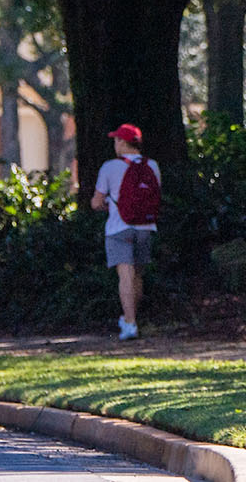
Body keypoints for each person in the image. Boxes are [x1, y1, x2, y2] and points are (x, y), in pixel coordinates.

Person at [90, 124, 162, 341]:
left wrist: (104, 206)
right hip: (146, 226)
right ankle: (132, 317)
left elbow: (96, 202)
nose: (115, 144)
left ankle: (130, 323)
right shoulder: (153, 166)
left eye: (116, 140)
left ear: (122, 142)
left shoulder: (109, 167)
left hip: (118, 227)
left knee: (125, 274)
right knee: (137, 274)